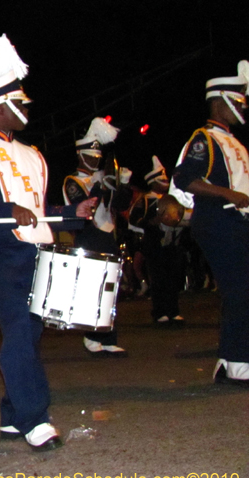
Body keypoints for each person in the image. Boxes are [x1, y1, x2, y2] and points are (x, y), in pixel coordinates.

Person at [0, 34, 96, 451]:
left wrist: (73, 214)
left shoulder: (34, 155)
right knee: (20, 332)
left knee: (29, 333)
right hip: (0, 255)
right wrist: (7, 210)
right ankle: (34, 418)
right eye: (20, 103)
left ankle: (12, 415)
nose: (27, 108)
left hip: (38, 253)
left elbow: (39, 211)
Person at [171, 60, 249, 387]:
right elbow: (184, 178)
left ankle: (229, 362)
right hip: (219, 219)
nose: (243, 107)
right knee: (240, 290)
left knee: (239, 290)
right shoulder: (204, 138)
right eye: (238, 102)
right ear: (220, 102)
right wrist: (229, 194)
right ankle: (239, 364)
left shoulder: (233, 141)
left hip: (233, 221)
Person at [63, 117, 132, 357]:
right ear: (80, 155)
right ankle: (92, 336)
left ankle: (109, 337)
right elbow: (85, 207)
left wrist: (123, 184)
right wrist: (98, 185)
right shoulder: (73, 181)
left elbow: (119, 206)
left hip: (107, 234)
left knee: (111, 288)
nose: (95, 160)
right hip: (88, 236)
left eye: (97, 156)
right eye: (90, 156)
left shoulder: (102, 177)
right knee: (93, 289)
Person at [128, 156, 188, 325]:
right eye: (161, 180)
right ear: (153, 182)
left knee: (173, 278)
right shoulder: (145, 200)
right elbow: (134, 220)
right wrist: (150, 222)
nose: (165, 183)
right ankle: (160, 311)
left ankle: (173, 311)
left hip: (172, 242)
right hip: (154, 244)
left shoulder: (173, 199)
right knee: (159, 279)